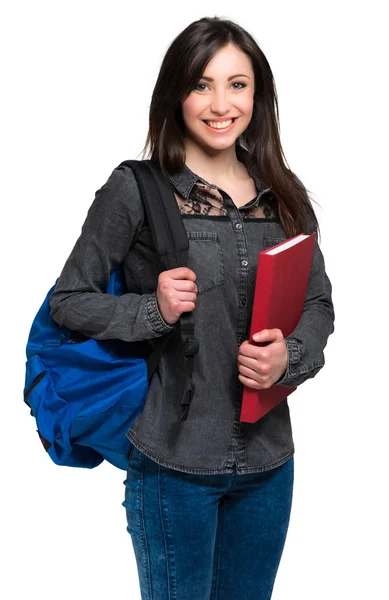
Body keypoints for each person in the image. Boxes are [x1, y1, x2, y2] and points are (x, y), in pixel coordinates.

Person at [49, 16, 335, 600]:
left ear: (258, 95)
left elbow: (318, 302)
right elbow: (69, 302)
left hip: (269, 464)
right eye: (201, 84)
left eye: (237, 84)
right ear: (175, 94)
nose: (220, 103)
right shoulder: (136, 189)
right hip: (172, 466)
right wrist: (151, 310)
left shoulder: (283, 194)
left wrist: (292, 356)